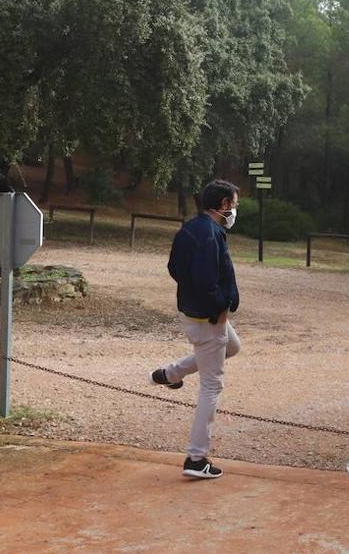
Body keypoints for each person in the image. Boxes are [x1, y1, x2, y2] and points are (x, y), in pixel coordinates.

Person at [151, 179, 243, 479]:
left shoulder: (192, 228)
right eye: (234, 204)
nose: (235, 210)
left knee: (233, 346)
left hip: (194, 313)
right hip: (208, 319)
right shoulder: (210, 235)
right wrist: (220, 306)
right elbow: (206, 280)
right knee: (212, 386)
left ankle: (170, 374)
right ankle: (196, 458)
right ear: (224, 205)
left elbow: (174, 269)